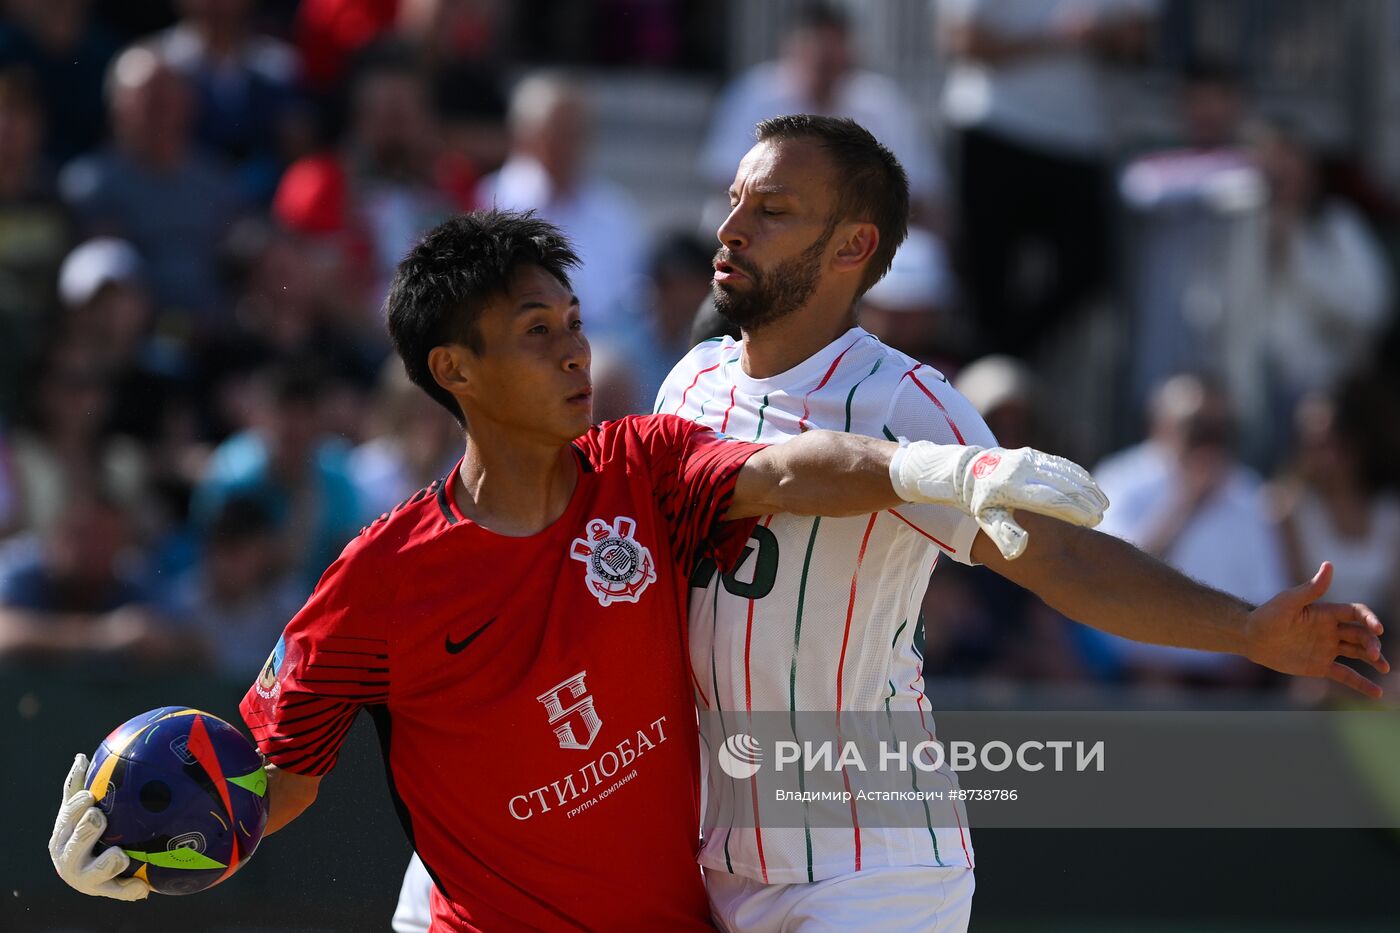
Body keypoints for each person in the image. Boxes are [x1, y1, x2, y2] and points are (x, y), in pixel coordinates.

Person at [50, 210, 1113, 927]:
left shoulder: (641, 468)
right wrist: (154, 857)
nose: (573, 351)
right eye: (535, 331)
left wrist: (928, 466)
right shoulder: (377, 581)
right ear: (453, 371)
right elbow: (276, 779)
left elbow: (789, 469)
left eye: (571, 323)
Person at [655, 115, 1385, 931]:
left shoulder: (906, 402)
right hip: (719, 856)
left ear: (851, 247)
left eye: (773, 209)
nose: (731, 228)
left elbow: (1064, 558)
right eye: (736, 200)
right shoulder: (688, 382)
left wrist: (1247, 627)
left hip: (869, 868)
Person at [1090, 373, 1288, 687]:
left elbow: (1266, 596)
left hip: (1224, 682)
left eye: (1220, 432)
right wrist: (1185, 504)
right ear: (1161, 425)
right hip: (1130, 676)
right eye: (1197, 429)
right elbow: (1109, 573)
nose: (1209, 443)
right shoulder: (1121, 482)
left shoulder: (1249, 495)